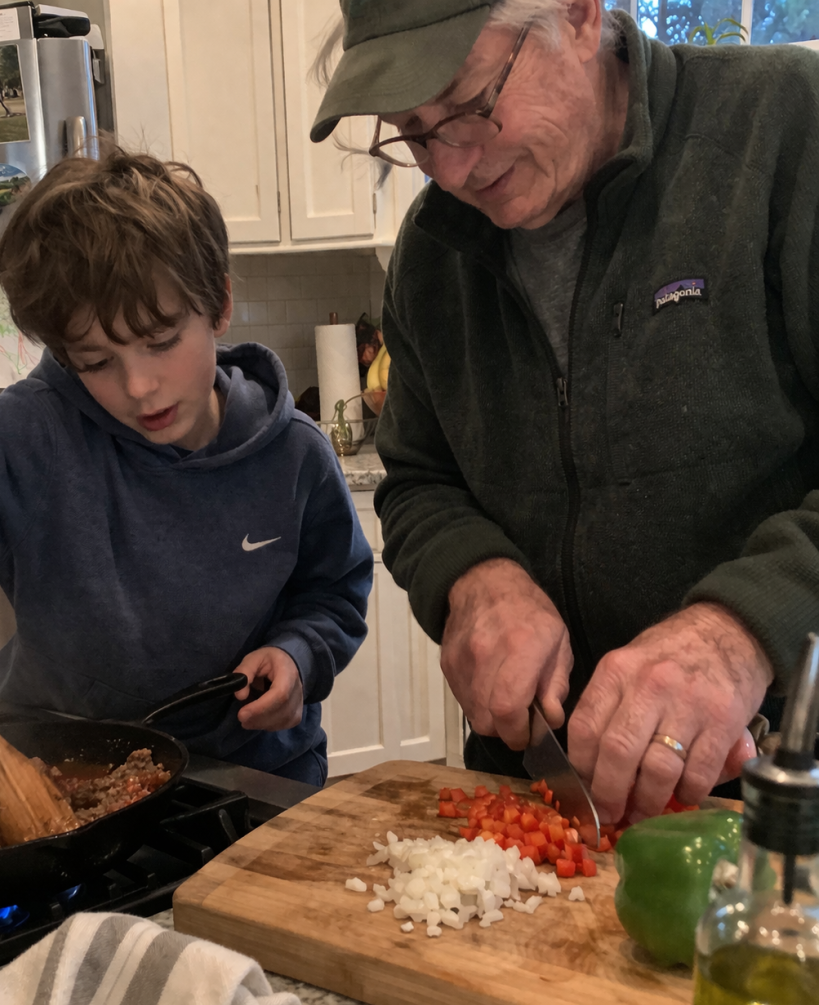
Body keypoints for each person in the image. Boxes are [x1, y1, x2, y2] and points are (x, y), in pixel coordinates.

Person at [310, 0, 819, 822]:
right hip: (539, 799)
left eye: (469, 106)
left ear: (581, 15)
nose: (447, 167)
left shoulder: (789, 127)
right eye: (410, 131)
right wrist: (475, 577)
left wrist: (741, 633)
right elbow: (418, 481)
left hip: (788, 802)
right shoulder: (434, 253)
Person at [0, 148, 373, 786]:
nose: (139, 387)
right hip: (62, 768)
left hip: (256, 772)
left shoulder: (294, 453)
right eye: (95, 360)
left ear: (218, 306)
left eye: (161, 342)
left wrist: (300, 653)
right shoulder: (38, 431)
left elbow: (335, 593)